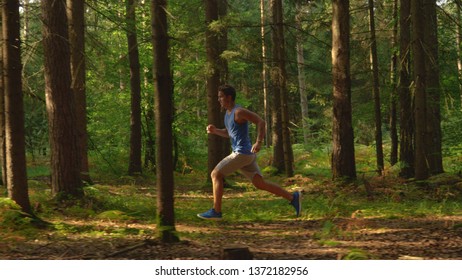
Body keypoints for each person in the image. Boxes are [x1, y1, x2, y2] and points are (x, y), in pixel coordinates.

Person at [197, 84, 301, 220]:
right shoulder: (228, 114)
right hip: (246, 156)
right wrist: (215, 130)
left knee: (216, 174)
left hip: (242, 153)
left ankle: (216, 211)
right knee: (260, 184)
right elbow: (229, 133)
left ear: (229, 97)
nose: (219, 100)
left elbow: (261, 122)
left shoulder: (238, 111)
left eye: (221, 97)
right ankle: (293, 197)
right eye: (218, 97)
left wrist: (258, 142)